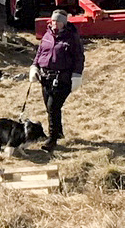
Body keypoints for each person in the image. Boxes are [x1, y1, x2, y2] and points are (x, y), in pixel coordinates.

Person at [29, 9, 85, 152]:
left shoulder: (71, 37)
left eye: (58, 21)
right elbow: (40, 52)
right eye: (53, 21)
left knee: (53, 108)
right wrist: (34, 67)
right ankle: (58, 132)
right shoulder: (47, 35)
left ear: (64, 23)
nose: (54, 24)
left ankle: (52, 140)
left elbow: (79, 58)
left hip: (62, 79)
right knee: (50, 108)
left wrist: (77, 75)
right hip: (45, 78)